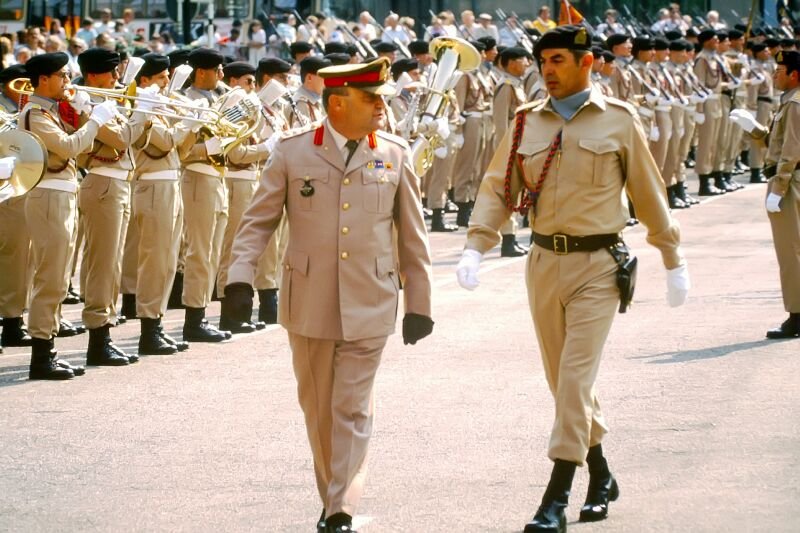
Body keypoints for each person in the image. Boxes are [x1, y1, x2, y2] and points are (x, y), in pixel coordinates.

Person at [456, 26, 690, 531]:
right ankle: (601, 474)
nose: (548, 70)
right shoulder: (526, 121)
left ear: (587, 63)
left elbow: (649, 192)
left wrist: (672, 256)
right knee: (563, 382)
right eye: (543, 61)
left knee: (575, 378)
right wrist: (477, 244)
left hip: (598, 265)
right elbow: (498, 187)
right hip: (543, 263)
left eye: (558, 60)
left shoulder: (618, 120)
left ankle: (555, 497)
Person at [223, 57, 433, 533]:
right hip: (309, 301)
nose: (381, 106)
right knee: (319, 410)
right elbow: (257, 222)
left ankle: (341, 509)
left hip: (372, 300)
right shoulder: (292, 151)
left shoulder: (395, 153)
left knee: (352, 407)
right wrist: (238, 278)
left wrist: (419, 305)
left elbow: (413, 238)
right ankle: (334, 496)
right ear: (337, 103)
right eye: (370, 98)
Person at [20, 52, 117, 379]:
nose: (67, 80)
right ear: (44, 79)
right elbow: (69, 147)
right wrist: (95, 121)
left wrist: (84, 114)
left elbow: (83, 150)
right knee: (50, 276)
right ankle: (41, 355)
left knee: (60, 275)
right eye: (62, 75)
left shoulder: (51, 111)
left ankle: (48, 349)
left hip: (62, 194)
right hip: (49, 194)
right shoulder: (35, 113)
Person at [75, 47, 149, 367]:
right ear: (93, 75)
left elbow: (134, 141)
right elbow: (120, 140)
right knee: (102, 264)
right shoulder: (87, 104)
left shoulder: (108, 102)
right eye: (112, 71)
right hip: (103, 183)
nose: (118, 76)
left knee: (113, 264)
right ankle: (98, 337)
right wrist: (142, 113)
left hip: (118, 183)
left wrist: (141, 114)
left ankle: (105, 332)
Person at [732, 51, 800, 338]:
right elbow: (780, 141)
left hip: (791, 182)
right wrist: (757, 130)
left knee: (790, 251)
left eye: (779, 71)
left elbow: (792, 150)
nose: (774, 75)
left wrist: (779, 188)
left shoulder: (794, 103)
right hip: (792, 178)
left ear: (794, 75)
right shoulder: (790, 101)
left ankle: (797, 316)